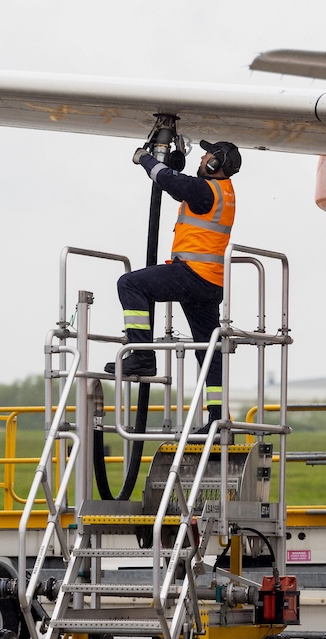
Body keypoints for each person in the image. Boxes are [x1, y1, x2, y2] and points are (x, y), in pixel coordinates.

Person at [104, 139, 241, 430]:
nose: (202, 158)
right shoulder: (224, 192)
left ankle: (141, 355)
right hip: (212, 282)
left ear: (215, 163)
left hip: (192, 274)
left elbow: (167, 180)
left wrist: (145, 159)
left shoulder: (205, 190)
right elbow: (178, 184)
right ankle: (217, 419)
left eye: (206, 156)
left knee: (130, 284)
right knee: (209, 349)